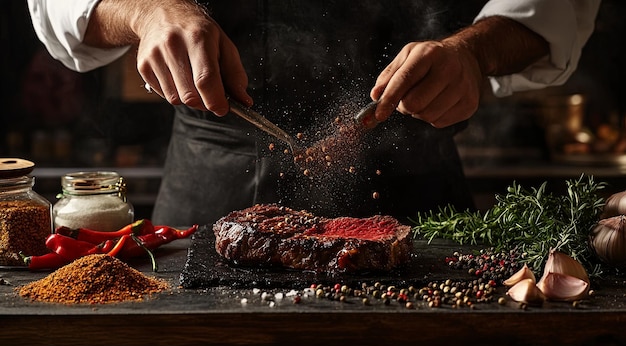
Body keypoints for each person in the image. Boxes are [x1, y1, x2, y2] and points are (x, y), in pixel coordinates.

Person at [27, 0, 600, 226]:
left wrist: (471, 52)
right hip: (210, 192)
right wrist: (146, 14)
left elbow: (557, 6)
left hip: (414, 199)